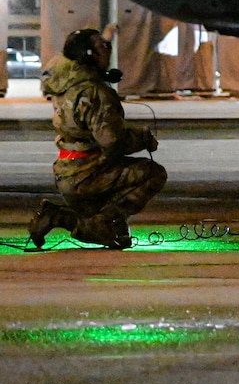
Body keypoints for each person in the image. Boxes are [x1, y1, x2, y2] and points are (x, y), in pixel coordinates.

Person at [27, 27, 166, 250]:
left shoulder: (68, 85)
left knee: (100, 207)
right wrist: (142, 139)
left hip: (68, 169)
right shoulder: (95, 93)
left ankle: (57, 216)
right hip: (88, 174)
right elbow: (112, 142)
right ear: (89, 55)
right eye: (103, 46)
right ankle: (99, 224)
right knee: (153, 174)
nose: (108, 49)